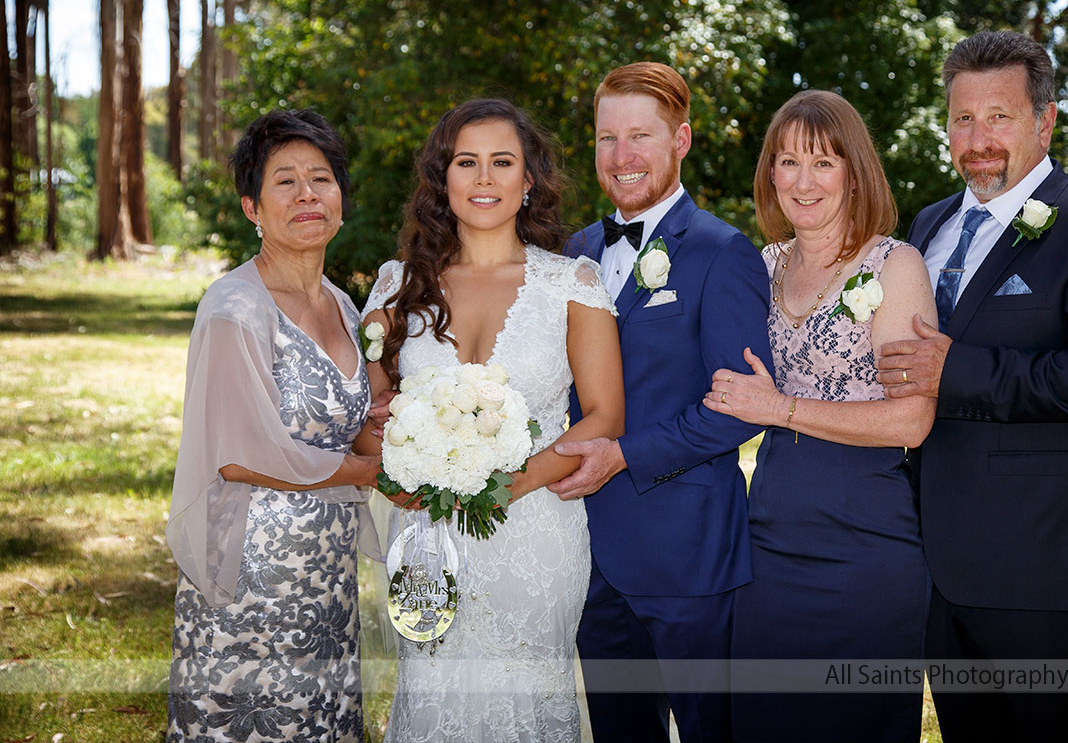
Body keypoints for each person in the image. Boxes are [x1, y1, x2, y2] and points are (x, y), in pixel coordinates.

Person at [876, 30, 1068, 742]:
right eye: (962, 119)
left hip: (1046, 572)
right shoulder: (929, 225)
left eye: (999, 117)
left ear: (1045, 120)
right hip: (937, 564)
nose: (978, 139)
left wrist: (957, 371)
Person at [357, 97, 624, 743]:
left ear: (528, 179)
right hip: (425, 535)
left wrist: (506, 486)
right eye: (465, 163)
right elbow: (369, 417)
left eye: (502, 162)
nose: (483, 179)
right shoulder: (396, 286)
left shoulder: (573, 282)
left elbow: (605, 414)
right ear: (441, 179)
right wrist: (394, 472)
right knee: (434, 688)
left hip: (535, 532)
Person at [702, 89, 936, 742]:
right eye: (787, 162)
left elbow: (911, 421)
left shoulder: (895, 265)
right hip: (770, 546)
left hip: (866, 549)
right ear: (769, 174)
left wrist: (781, 407)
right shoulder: (758, 268)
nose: (803, 182)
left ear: (854, 171)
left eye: (824, 163)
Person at [553, 61, 772, 743]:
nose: (622, 157)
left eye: (640, 137)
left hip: (688, 558)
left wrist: (623, 455)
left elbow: (733, 407)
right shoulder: (575, 251)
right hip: (587, 556)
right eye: (606, 138)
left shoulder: (723, 252)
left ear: (680, 139)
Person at [165, 109, 383, 742]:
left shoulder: (343, 305)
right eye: (284, 181)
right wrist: (372, 472)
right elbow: (239, 454)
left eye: (322, 178)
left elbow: (349, 422)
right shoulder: (233, 308)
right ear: (252, 208)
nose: (308, 194)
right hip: (255, 579)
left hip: (327, 577)